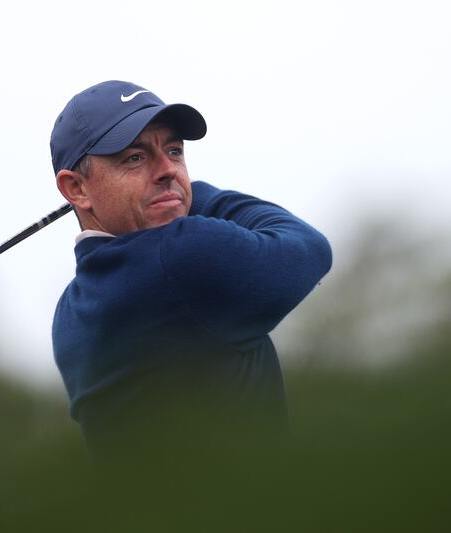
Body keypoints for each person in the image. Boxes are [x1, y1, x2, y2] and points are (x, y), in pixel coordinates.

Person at [50, 80, 332, 462]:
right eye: (135, 157)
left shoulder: (69, 311)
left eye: (174, 151)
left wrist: (166, 196)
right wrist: (187, 193)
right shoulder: (183, 254)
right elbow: (308, 247)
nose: (168, 169)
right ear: (76, 188)